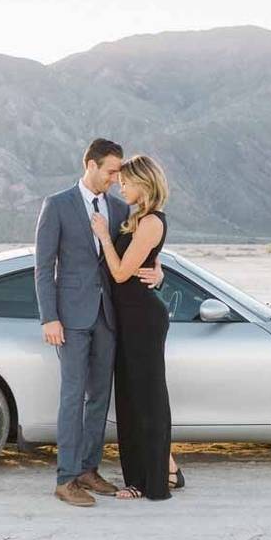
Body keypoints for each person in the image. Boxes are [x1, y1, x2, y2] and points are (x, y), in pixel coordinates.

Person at [34, 138, 165, 507]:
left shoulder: (121, 209)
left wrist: (159, 272)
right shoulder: (57, 205)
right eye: (110, 171)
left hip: (108, 316)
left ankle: (89, 469)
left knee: (99, 399)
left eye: (119, 173)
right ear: (89, 165)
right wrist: (50, 317)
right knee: (72, 396)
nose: (115, 178)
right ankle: (66, 478)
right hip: (70, 319)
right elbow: (44, 268)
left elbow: (140, 251)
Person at [91, 154, 177, 500]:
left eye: (126, 182)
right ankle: (165, 469)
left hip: (142, 319)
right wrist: (159, 272)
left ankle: (149, 483)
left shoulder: (152, 221)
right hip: (127, 318)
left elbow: (122, 273)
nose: (120, 186)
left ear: (144, 183)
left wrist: (104, 237)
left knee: (148, 400)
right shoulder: (135, 218)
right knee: (130, 399)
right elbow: (146, 265)